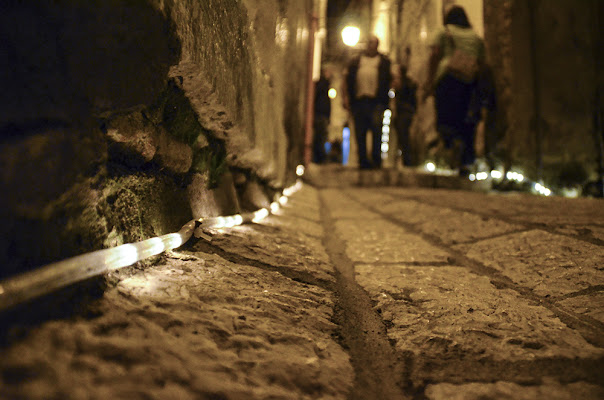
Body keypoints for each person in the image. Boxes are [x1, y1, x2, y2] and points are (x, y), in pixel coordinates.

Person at [424, 5, 485, 175]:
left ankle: (451, 144)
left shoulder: (444, 32)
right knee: (466, 120)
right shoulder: (475, 38)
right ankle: (465, 161)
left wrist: (429, 80)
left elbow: (435, 54)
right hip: (469, 81)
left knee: (445, 118)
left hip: (447, 79)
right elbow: (481, 62)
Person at [343, 35, 392, 169]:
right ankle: (363, 159)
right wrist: (346, 97)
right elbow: (346, 79)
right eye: (369, 43)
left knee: (377, 129)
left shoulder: (384, 62)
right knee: (360, 130)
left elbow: (390, 80)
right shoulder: (356, 61)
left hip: (376, 100)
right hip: (359, 100)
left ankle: (376, 159)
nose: (371, 46)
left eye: (374, 43)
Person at [393, 60, 418, 167]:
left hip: (405, 113)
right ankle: (405, 160)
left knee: (404, 137)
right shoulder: (404, 83)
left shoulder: (407, 84)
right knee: (402, 137)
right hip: (402, 113)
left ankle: (407, 160)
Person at [312, 68, 332, 164]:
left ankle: (320, 157)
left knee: (321, 136)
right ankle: (320, 157)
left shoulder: (324, 87)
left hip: (321, 113)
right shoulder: (323, 85)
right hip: (320, 113)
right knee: (320, 136)